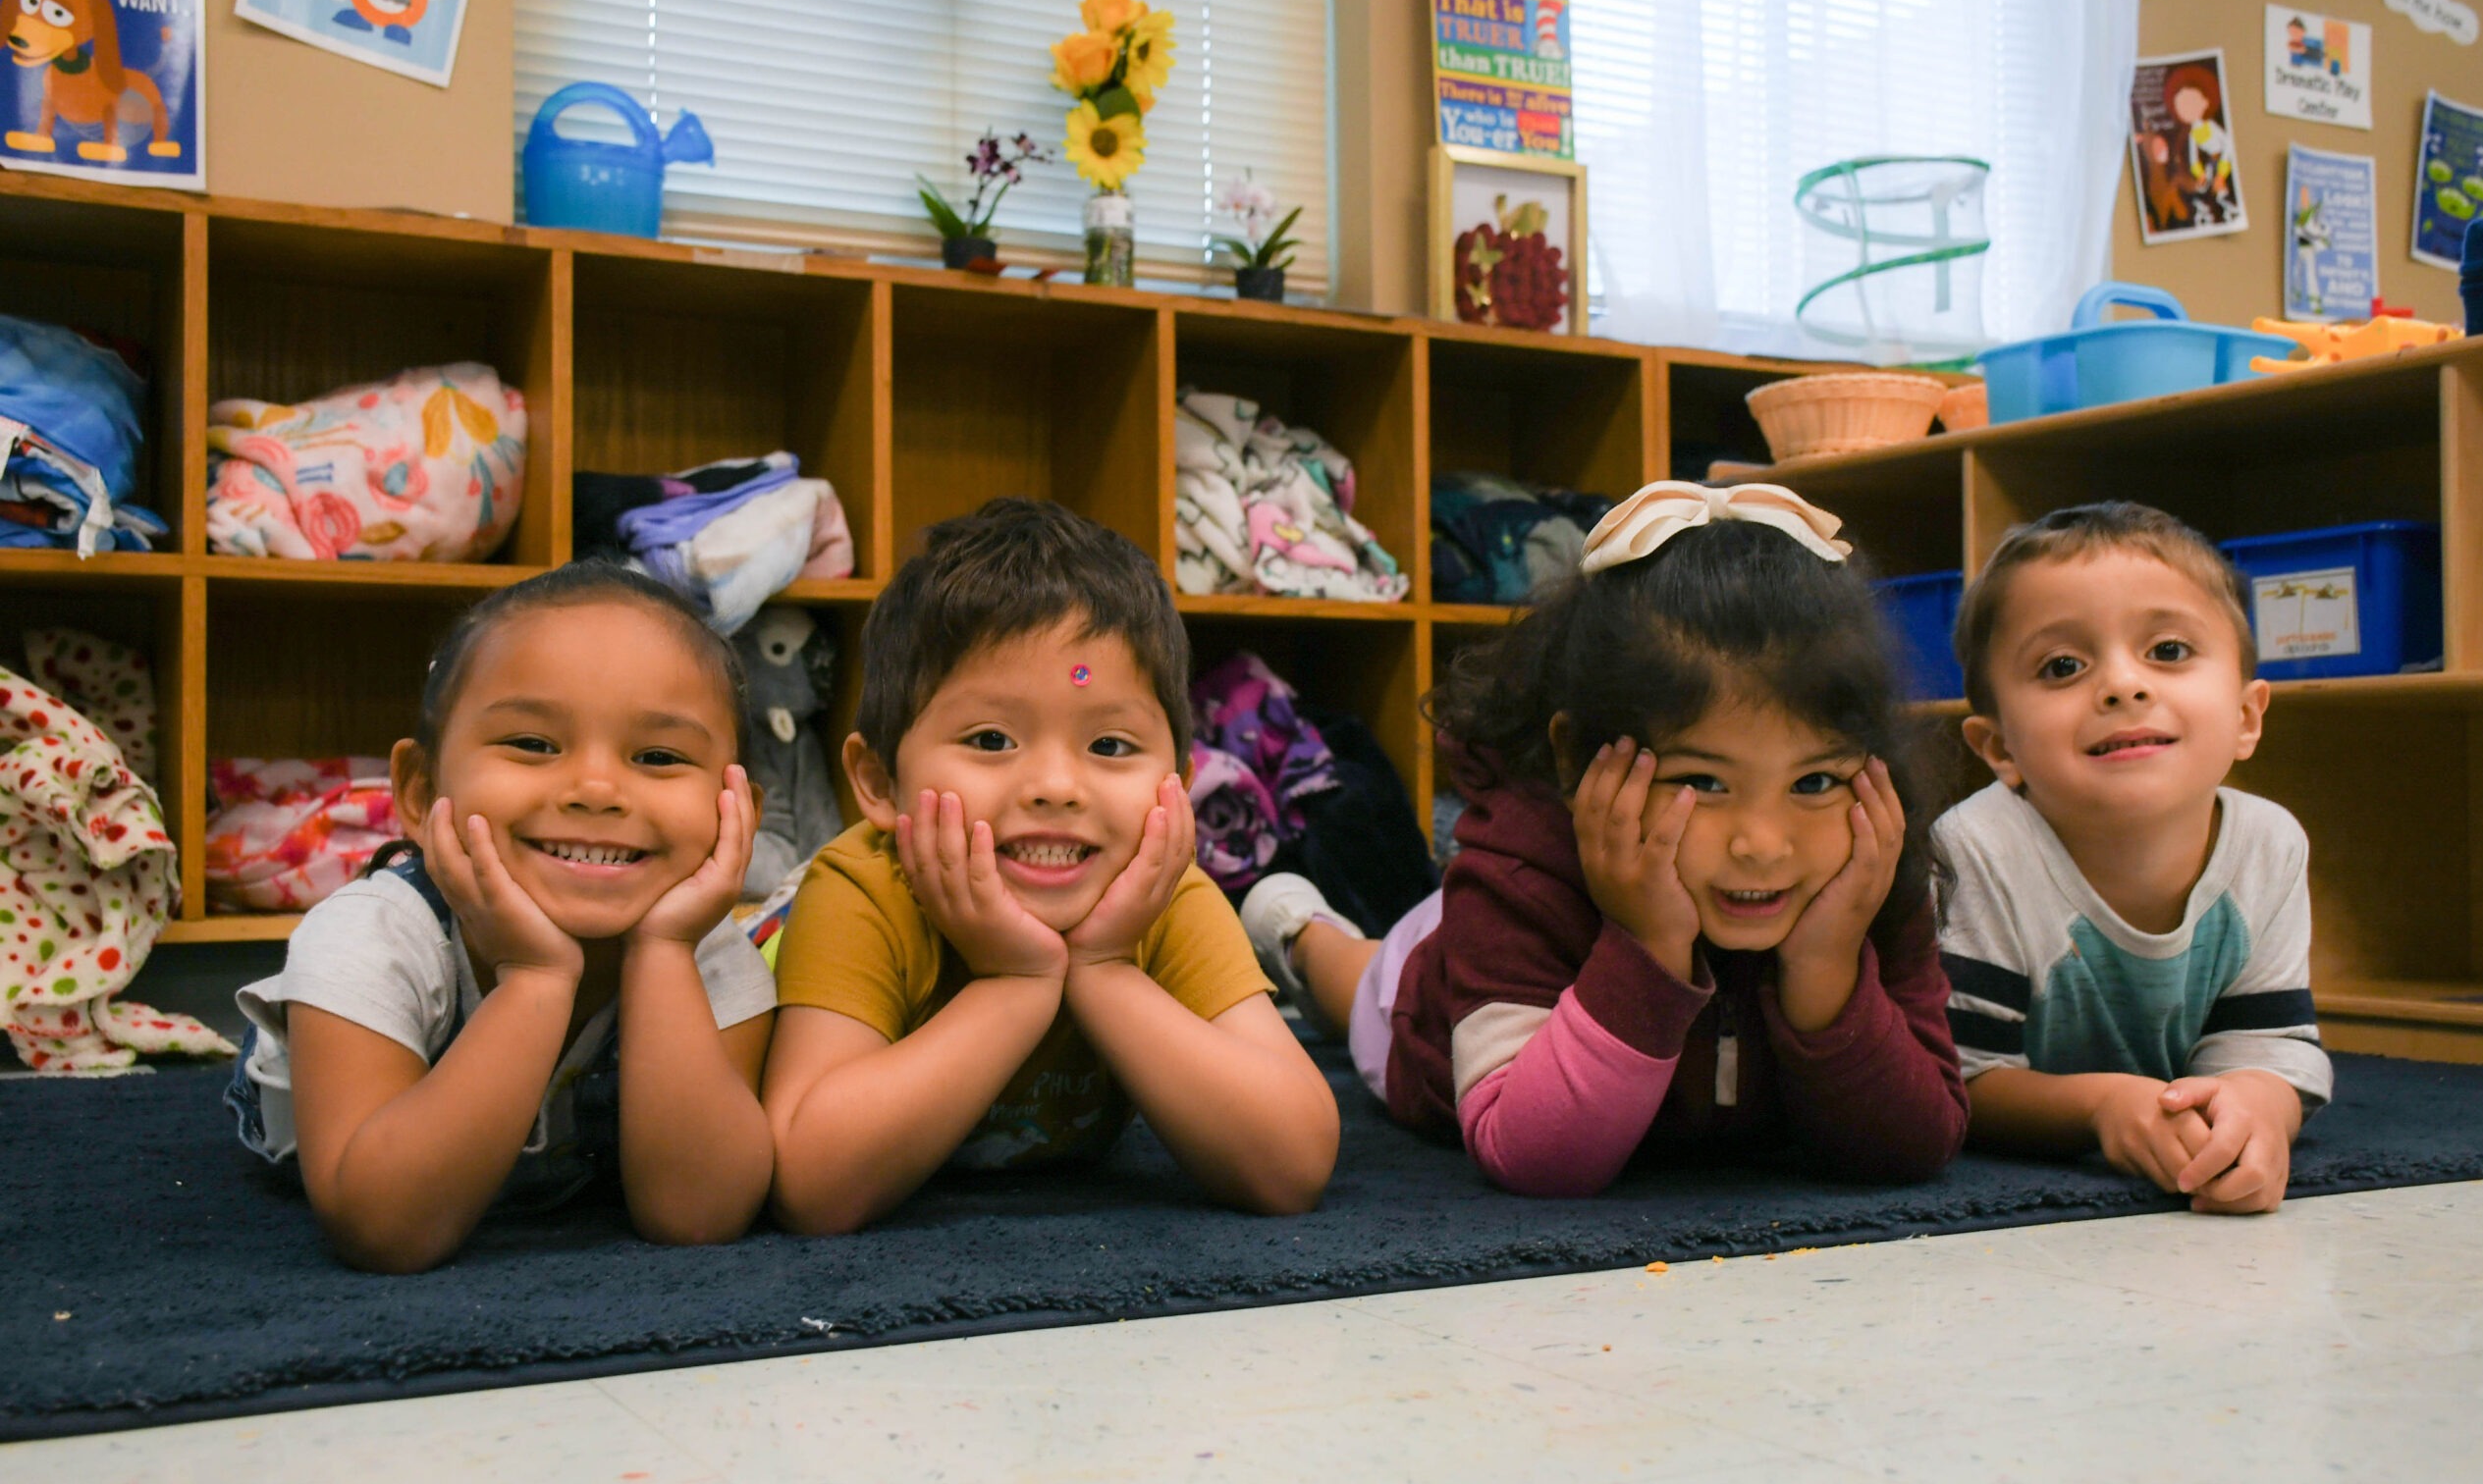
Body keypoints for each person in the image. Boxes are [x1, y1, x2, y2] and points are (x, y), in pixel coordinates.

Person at [1242, 482, 1968, 1197]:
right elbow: (1527, 1155)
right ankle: (1299, 929)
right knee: (1363, 983)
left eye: (1812, 781)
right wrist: (1646, 947)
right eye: (1704, 781)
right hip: (1431, 990)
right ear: (1575, 756)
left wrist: (1827, 966)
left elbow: (1917, 1143)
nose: (1763, 844)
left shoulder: (1870, 868)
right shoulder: (1518, 875)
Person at [763, 500, 1338, 1232]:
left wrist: (1103, 968)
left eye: (1110, 746)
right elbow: (810, 1185)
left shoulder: (1162, 893)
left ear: (1180, 784)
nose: (1056, 786)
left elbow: (1293, 1164)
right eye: (992, 738)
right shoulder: (863, 890)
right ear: (878, 782)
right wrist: (1017, 984)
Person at [227, 561, 778, 1271]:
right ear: (422, 792)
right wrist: (537, 979)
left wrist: (666, 953)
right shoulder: (373, 935)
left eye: (659, 755)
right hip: (344, 1126)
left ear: (739, 814)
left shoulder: (708, 948)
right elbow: (384, 1226)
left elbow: (698, 1215)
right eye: (533, 744)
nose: (596, 788)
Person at [1937, 503, 2330, 1214]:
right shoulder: (1978, 848)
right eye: (2063, 666)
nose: (2123, 684)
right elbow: (1960, 1077)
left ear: (2246, 717)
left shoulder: (2270, 843)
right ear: (1998, 750)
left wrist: (2257, 1106)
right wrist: (2104, 1108)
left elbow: (2270, 1042)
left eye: (2169, 651)